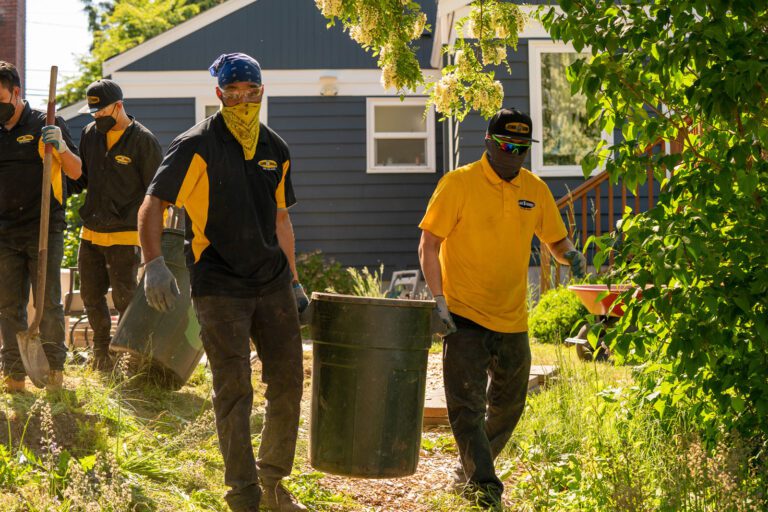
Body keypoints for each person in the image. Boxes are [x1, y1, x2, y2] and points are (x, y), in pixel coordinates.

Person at [137, 53, 309, 512]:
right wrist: (152, 262)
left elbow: (281, 219)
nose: (242, 101)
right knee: (234, 389)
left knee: (288, 382)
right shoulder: (195, 145)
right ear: (220, 95)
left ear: (261, 92)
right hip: (218, 285)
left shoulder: (276, 149)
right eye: (233, 94)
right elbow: (153, 204)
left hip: (271, 283)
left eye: (250, 93)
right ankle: (243, 494)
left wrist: (294, 281)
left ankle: (273, 485)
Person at [418, 108, 587, 510]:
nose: (514, 153)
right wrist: (438, 300)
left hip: (513, 318)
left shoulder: (535, 190)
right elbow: (429, 243)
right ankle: (484, 489)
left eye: (522, 147)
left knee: (509, 405)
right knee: (466, 406)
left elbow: (556, 243)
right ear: (489, 143)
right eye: (507, 145)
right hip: (462, 315)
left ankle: (472, 466)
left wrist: (571, 255)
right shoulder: (457, 184)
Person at [0, 61, 83, 391]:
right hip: (4, 232)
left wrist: (60, 147)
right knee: (8, 305)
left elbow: (77, 173)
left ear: (16, 93)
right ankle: (13, 375)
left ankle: (54, 375)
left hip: (43, 228)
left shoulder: (45, 124)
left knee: (48, 302)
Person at [76, 79, 162, 370]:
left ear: (119, 105)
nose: (98, 118)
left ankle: (130, 355)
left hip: (126, 234)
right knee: (90, 294)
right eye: (94, 114)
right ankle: (101, 352)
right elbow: (82, 177)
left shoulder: (143, 141)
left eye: (103, 112)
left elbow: (157, 193)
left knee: (125, 298)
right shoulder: (90, 134)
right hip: (91, 231)